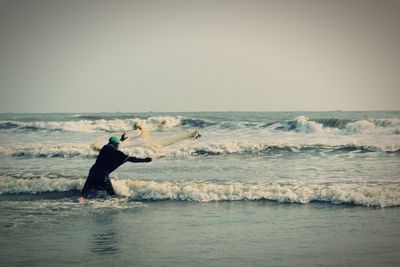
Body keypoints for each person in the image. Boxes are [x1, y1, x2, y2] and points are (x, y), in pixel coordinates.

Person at [78, 133, 151, 203]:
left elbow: (113, 144)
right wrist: (145, 160)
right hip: (103, 175)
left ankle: (80, 202)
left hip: (93, 172)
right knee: (112, 196)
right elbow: (131, 159)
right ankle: (112, 205)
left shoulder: (105, 147)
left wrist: (121, 140)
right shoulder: (118, 154)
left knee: (83, 194)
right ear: (116, 145)